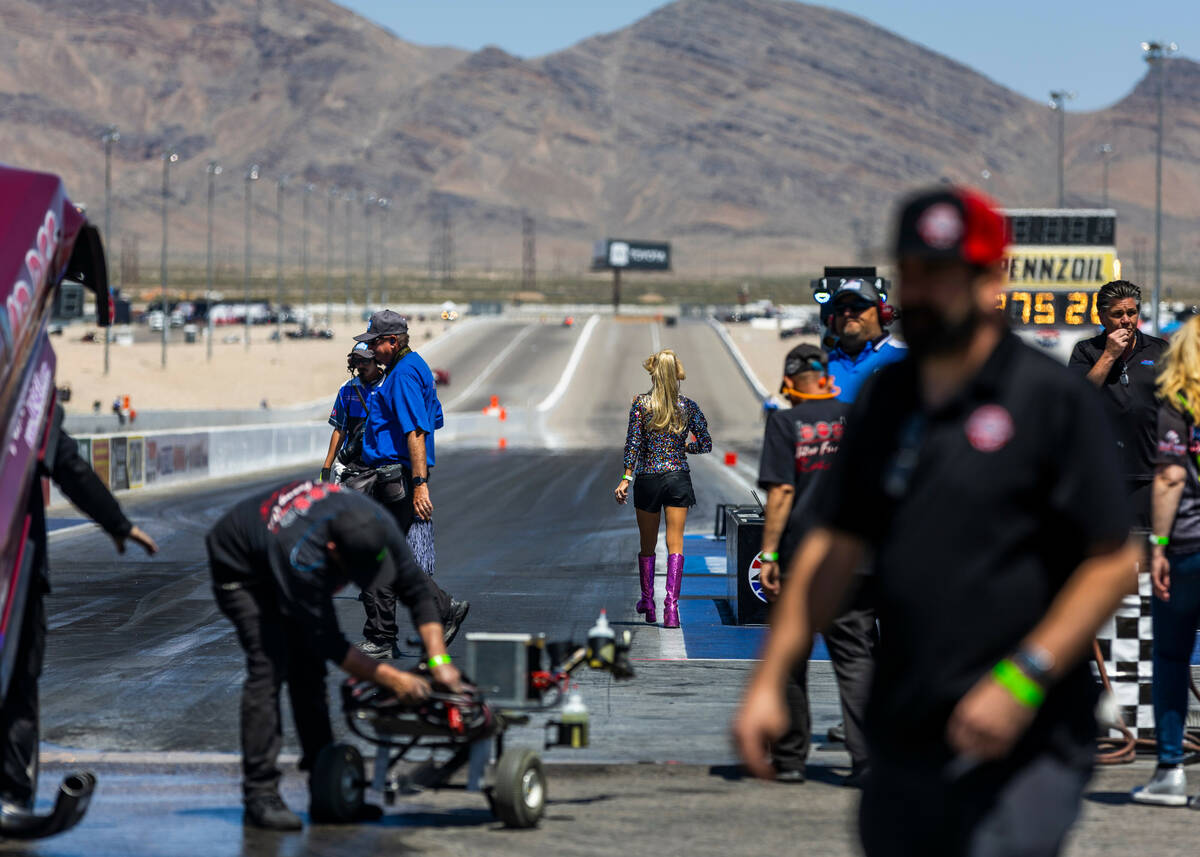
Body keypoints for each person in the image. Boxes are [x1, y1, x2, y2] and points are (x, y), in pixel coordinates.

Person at [733, 186, 1138, 856]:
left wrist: (1021, 678)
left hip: (1025, 728)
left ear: (990, 281)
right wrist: (771, 676)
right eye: (915, 273)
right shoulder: (887, 398)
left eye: (945, 274)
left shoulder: (1051, 399)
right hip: (911, 723)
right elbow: (836, 542)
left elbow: (1112, 561)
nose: (925, 291)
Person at [205, 478, 462, 830]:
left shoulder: (379, 524)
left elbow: (418, 593)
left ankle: (325, 791)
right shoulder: (302, 553)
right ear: (332, 550)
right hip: (242, 565)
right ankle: (259, 795)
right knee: (270, 664)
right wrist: (394, 678)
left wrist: (439, 661)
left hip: (290, 548)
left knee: (309, 673)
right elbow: (328, 641)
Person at [2, 405, 158, 812]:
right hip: (14, 572)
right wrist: (117, 523)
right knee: (18, 683)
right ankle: (12, 796)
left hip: (16, 569)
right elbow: (69, 466)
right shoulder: (27, 394)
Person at [756, 344, 874, 786]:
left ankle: (789, 760)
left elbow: (782, 492)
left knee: (790, 659)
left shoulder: (784, 423)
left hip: (801, 560)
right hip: (856, 558)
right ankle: (867, 761)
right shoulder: (858, 417)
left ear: (789, 382)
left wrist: (769, 554)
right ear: (826, 377)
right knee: (857, 658)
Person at [358, 310, 467, 657]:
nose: (370, 349)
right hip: (399, 475)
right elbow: (435, 417)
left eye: (375, 342)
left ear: (392, 341)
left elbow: (417, 431)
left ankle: (385, 636)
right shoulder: (413, 367)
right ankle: (436, 611)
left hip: (396, 478)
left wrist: (419, 484)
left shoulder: (403, 374)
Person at [1132, 316, 1200, 806]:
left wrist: (1157, 544)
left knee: (1172, 656)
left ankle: (1170, 770)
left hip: (1188, 546)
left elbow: (1170, 476)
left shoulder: (1180, 402)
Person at [614, 349, 712, 629]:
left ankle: (648, 602)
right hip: (678, 478)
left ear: (653, 375)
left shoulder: (641, 404)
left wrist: (626, 477)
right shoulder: (688, 406)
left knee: (647, 545)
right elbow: (705, 443)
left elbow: (633, 444)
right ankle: (671, 608)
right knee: (675, 543)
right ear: (676, 376)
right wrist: (684, 447)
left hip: (648, 479)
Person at [1068, 280, 1168, 529]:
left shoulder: (1158, 350)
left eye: (1131, 313)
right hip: (1103, 473)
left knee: (1147, 545)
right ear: (1102, 317)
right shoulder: (1087, 351)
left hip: (1150, 471)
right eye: (1117, 314)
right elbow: (1079, 396)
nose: (1126, 320)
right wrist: (1109, 355)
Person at [824, 279, 906, 403]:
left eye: (858, 305)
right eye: (840, 308)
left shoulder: (906, 357)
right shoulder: (821, 366)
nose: (847, 313)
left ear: (881, 312)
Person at [320, 342, 385, 483]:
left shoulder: (390, 385)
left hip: (384, 464)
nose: (360, 365)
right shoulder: (347, 389)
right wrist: (326, 468)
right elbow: (339, 430)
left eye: (365, 361)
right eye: (357, 361)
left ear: (376, 360)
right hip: (353, 465)